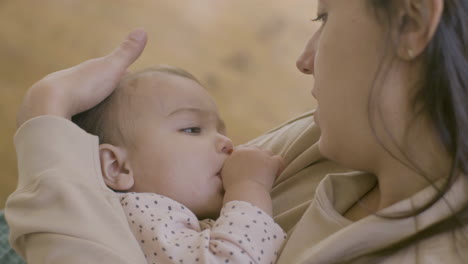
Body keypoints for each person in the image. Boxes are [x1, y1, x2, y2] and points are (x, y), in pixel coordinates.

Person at [5, 0, 467, 263]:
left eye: (325, 18)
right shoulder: (337, 133)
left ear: (411, 21)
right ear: (114, 164)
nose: (304, 60)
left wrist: (46, 112)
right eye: (191, 128)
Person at [71, 65, 285, 264]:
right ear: (117, 167)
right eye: (192, 129)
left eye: (220, 131)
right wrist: (249, 187)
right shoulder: (139, 212)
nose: (226, 142)